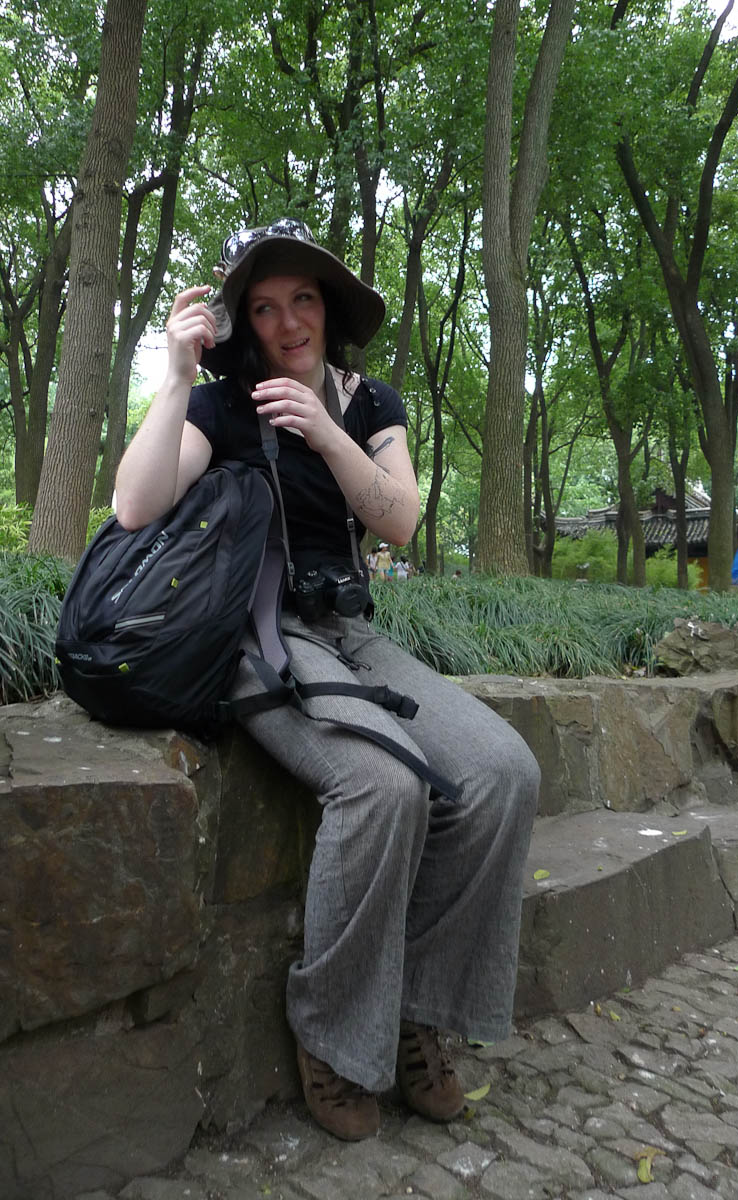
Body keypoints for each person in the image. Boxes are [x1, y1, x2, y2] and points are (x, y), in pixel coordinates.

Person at [114, 218, 540, 1143]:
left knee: (502, 771)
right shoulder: (221, 406)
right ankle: (333, 1034)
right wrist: (177, 379)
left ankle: (417, 1013)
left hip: (348, 630)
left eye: (302, 299)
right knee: (381, 785)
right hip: (257, 635)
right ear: (244, 323)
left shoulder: (368, 400)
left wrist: (325, 433)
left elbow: (398, 521)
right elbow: (136, 506)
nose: (287, 322)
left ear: (328, 307)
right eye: (264, 307)